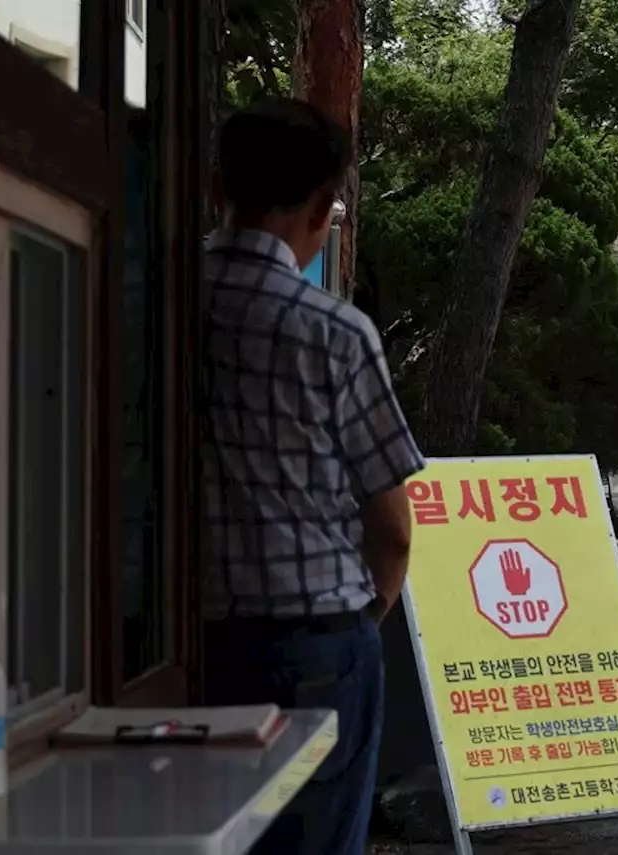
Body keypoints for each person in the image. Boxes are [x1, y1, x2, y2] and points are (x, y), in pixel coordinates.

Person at [200, 97, 425, 855]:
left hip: (163, 647)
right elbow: (392, 529)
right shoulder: (333, 331)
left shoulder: (137, 305)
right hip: (316, 644)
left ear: (215, 190)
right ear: (324, 209)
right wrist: (363, 622)